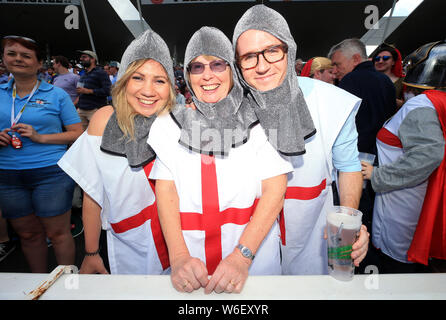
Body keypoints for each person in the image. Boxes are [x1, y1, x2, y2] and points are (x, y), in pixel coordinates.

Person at [148, 26, 292, 293]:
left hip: (253, 261)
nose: (208, 75)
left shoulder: (260, 119)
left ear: (232, 71)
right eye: (197, 67)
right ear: (188, 75)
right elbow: (166, 191)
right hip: (191, 264)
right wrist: (178, 257)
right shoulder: (168, 124)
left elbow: (275, 189)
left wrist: (241, 257)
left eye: (217, 64)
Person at [232, 5, 368, 275]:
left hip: (313, 237)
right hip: (245, 246)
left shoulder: (330, 102)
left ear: (289, 50)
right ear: (237, 64)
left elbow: (348, 166)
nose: (261, 66)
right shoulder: (228, 109)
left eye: (272, 51)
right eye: (248, 57)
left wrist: (348, 222)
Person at [58, 29, 175, 275]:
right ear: (123, 80)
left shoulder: (180, 122)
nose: (148, 90)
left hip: (178, 246)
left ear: (171, 86)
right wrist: (90, 252)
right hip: (123, 243)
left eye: (160, 80)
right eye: (138, 77)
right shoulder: (104, 120)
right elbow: (93, 192)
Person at [361, 40, 446, 273]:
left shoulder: (420, 105)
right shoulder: (435, 103)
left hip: (402, 202)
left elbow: (428, 155)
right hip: (416, 196)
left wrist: (378, 174)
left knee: (397, 266)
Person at [0, 35, 82, 273]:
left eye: (26, 55)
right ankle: (39, 286)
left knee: (58, 233)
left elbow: (77, 133)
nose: (18, 59)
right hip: (8, 175)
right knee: (28, 234)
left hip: (50, 173)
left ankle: (69, 288)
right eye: (12, 54)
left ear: (39, 64)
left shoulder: (56, 95)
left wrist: (40, 137)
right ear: (4, 59)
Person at [328, 38, 397, 239]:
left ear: (356, 58)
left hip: (355, 157)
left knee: (354, 206)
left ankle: (354, 241)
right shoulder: (385, 80)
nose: (335, 70)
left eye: (337, 64)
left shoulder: (350, 82)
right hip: (381, 156)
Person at [76, 50, 111, 130]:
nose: (81, 59)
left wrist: (89, 91)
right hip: (81, 110)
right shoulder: (84, 73)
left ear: (93, 59)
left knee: (96, 136)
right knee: (80, 136)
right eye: (81, 57)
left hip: (94, 110)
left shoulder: (101, 73)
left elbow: (108, 91)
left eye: (84, 57)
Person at [372, 43, 405, 108]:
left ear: (393, 62)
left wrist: (398, 103)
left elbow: (411, 104)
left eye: (385, 58)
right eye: (377, 58)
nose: (380, 61)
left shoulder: (403, 81)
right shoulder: (367, 79)